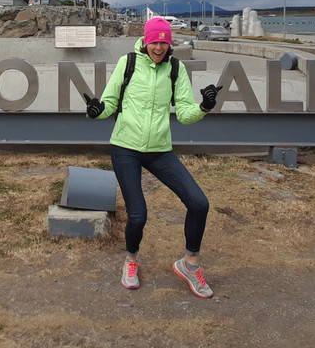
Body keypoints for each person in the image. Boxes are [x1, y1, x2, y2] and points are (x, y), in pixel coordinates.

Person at [83, 17, 221, 298]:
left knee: (199, 203)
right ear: (146, 41)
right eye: (154, 41)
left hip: (160, 149)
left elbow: (184, 113)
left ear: (170, 43)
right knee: (138, 215)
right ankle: (131, 261)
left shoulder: (175, 69)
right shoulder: (129, 63)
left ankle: (190, 265)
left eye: (164, 41)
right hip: (125, 147)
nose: (159, 46)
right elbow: (110, 102)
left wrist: (204, 106)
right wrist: (97, 110)